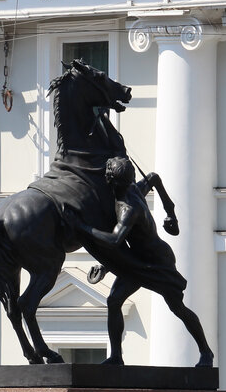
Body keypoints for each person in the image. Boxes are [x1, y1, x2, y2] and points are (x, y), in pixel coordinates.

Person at [64, 156, 213, 367]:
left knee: (177, 307)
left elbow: (115, 240)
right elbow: (154, 177)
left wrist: (82, 227)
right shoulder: (134, 189)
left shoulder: (127, 207)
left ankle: (206, 352)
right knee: (114, 301)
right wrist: (170, 211)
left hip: (157, 261)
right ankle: (116, 356)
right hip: (138, 258)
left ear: (111, 181)